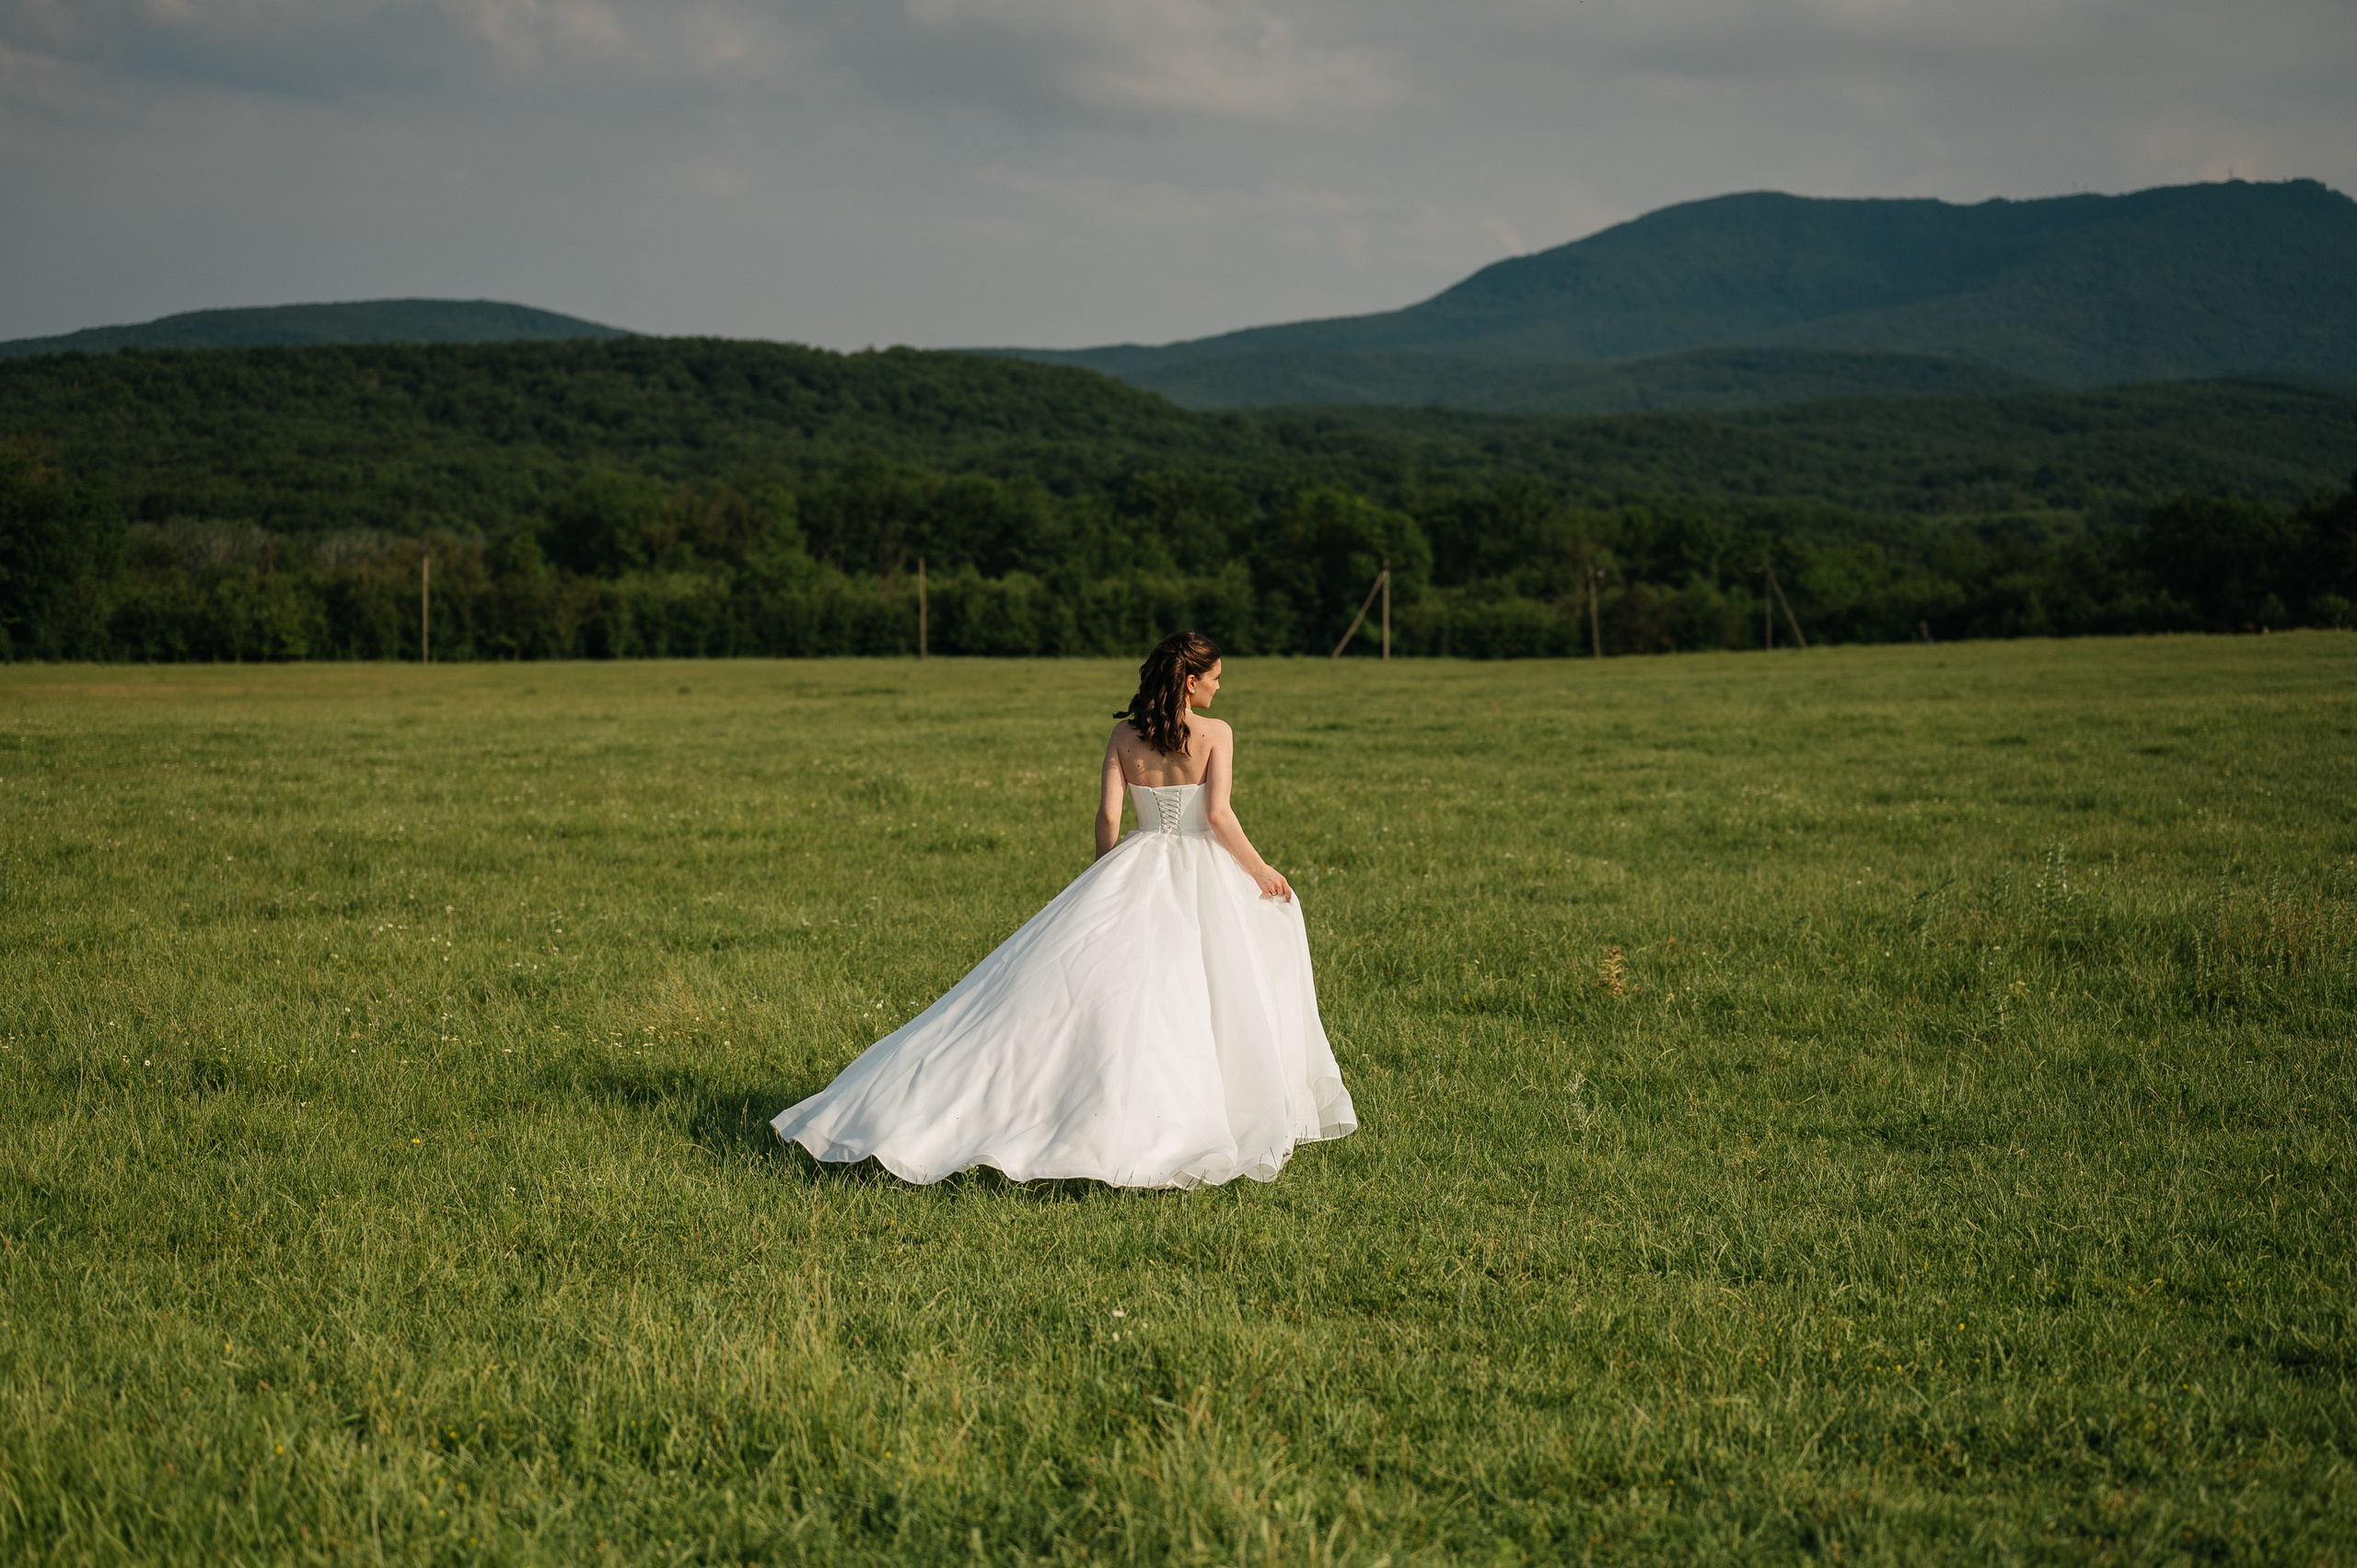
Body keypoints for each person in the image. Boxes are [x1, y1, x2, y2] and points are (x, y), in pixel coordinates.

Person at [772, 631, 1357, 1188]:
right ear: (1190, 683)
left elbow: (1107, 818)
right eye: (1216, 677)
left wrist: (1106, 880)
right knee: (1211, 988)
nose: (1220, 688)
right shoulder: (1216, 733)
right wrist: (1262, 873)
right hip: (1202, 865)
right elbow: (1220, 816)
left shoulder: (1126, 737)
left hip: (1134, 860)